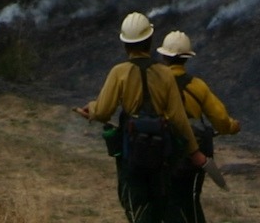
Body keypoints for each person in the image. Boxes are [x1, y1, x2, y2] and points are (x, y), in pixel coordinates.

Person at [75, 11, 206, 222]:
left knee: (137, 206)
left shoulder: (119, 72)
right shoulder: (164, 73)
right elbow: (178, 119)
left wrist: (91, 108)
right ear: (150, 40)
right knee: (164, 204)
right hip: (162, 154)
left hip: (131, 152)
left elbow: (103, 111)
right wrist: (195, 152)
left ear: (125, 44)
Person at [156, 30, 239, 223]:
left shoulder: (155, 84)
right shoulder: (197, 86)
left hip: (161, 151)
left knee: (167, 201)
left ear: (163, 56)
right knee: (190, 200)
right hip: (194, 154)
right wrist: (233, 127)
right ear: (186, 58)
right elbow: (220, 119)